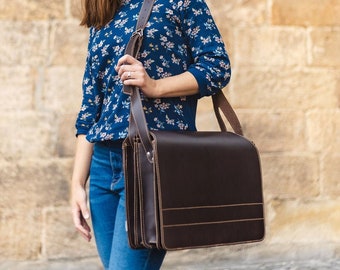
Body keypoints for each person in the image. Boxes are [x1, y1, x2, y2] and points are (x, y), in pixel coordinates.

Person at [71, 0, 231, 269]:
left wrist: (155, 86)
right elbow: (91, 108)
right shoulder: (104, 11)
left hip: (152, 164)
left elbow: (217, 67)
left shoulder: (181, 3)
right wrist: (77, 183)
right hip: (102, 167)